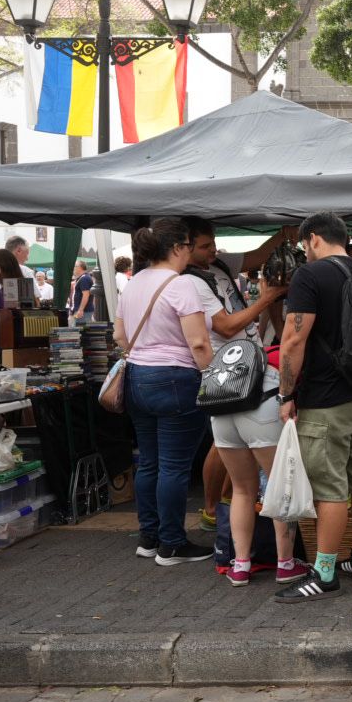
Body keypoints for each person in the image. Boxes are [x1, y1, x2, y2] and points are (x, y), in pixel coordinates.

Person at [179, 221, 300, 587]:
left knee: (244, 488)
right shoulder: (192, 285)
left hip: (219, 392)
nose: (211, 251)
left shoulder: (212, 270)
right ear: (183, 248)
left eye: (213, 244)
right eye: (203, 246)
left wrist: (284, 232)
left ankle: (241, 564)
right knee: (277, 484)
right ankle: (285, 563)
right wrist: (267, 297)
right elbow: (227, 328)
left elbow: (257, 255)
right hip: (251, 387)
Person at [274, 212, 352, 602]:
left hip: (325, 399)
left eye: (305, 245)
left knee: (329, 487)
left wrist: (286, 395)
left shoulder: (311, 276)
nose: (305, 252)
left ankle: (324, 574)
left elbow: (292, 339)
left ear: (315, 239)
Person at [115, 219, 215, 566]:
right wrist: (214, 380)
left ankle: (150, 537)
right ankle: (172, 544)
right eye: (189, 246)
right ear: (177, 248)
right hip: (176, 379)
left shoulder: (133, 283)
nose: (190, 253)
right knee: (174, 467)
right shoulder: (181, 284)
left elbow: (120, 337)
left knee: (150, 463)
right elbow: (199, 342)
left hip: (137, 379)